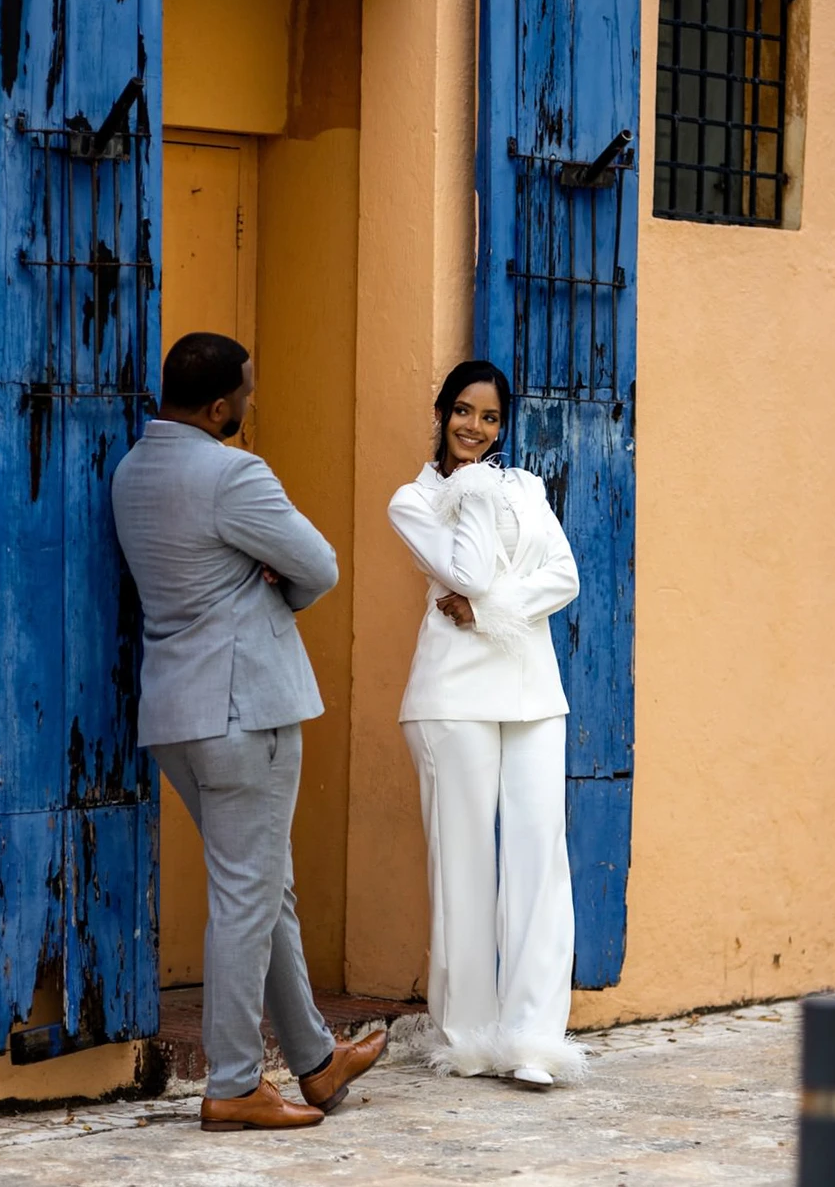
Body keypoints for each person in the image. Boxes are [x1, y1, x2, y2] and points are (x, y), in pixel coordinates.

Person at [111, 331, 388, 1131]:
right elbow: (321, 565)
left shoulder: (133, 470)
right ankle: (233, 1083)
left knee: (266, 887)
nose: (252, 405)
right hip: (245, 710)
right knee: (246, 894)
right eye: (249, 393)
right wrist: (276, 589)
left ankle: (315, 1061)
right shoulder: (233, 472)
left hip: (176, 713)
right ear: (222, 405)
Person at [386, 359, 587, 1087]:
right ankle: (469, 1037)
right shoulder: (412, 500)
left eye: (491, 417)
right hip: (451, 695)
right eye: (464, 412)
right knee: (464, 864)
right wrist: (468, 490)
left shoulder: (527, 488)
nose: (476, 427)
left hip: (533, 689)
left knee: (540, 860)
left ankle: (534, 1041)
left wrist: (494, 612)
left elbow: (562, 576)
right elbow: (465, 572)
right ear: (442, 413)